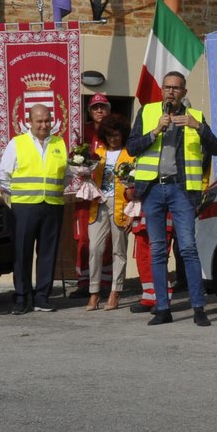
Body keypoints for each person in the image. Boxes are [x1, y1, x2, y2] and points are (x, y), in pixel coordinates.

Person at [127, 71, 217, 327]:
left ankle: (198, 308)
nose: (171, 92)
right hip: (153, 190)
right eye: (167, 87)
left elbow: (216, 149)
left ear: (184, 92)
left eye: (176, 88)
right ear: (162, 91)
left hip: (182, 190)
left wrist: (197, 126)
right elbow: (131, 148)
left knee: (188, 248)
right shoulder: (147, 113)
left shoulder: (196, 116)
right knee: (158, 249)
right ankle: (162, 308)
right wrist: (156, 130)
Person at [0, 103, 68, 314]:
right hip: (25, 206)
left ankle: (42, 297)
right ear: (29, 121)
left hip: (53, 205)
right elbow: (3, 174)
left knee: (48, 252)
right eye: (39, 121)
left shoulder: (59, 143)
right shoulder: (17, 143)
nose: (44, 125)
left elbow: (67, 174)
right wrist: (19, 193)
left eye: (47, 120)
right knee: (22, 252)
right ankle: (21, 297)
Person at [87, 114, 133, 312]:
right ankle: (94, 291)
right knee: (94, 248)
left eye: (117, 134)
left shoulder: (131, 155)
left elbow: (136, 186)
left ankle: (116, 291)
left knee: (118, 250)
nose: (113, 138)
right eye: (110, 135)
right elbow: (88, 180)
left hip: (121, 204)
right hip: (99, 203)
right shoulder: (97, 153)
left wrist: (134, 212)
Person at [72, 93, 114, 298]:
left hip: (107, 193)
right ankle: (84, 282)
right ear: (89, 111)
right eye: (95, 107)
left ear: (109, 110)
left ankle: (105, 281)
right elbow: (71, 159)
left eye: (103, 107)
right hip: (85, 194)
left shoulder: (115, 131)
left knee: (106, 239)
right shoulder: (81, 131)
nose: (99, 110)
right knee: (84, 239)